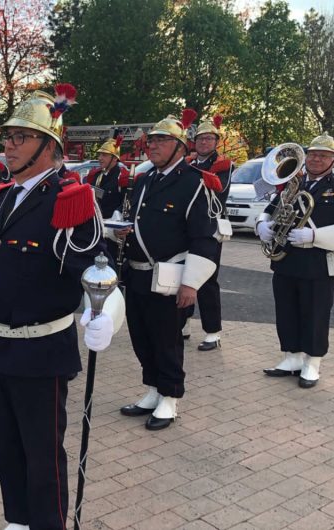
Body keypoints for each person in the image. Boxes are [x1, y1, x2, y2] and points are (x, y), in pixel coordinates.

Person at [0, 84, 124, 530]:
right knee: (5, 444)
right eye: (8, 136)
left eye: (21, 137)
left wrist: (106, 314)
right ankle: (18, 520)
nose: (8, 145)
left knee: (42, 453)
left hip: (40, 350)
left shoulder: (69, 198)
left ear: (49, 146)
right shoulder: (4, 195)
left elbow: (99, 269)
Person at [115, 110, 219, 430]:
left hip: (169, 276)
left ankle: (170, 398)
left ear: (180, 147)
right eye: (152, 140)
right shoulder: (145, 179)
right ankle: (152, 389)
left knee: (167, 340)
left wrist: (191, 284)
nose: (153, 146)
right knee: (141, 336)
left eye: (162, 140)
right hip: (137, 273)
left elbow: (205, 237)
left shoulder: (194, 183)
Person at [259, 130, 334, 388]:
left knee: (315, 314)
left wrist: (314, 235)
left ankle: (312, 363)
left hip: (317, 264)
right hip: (286, 260)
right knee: (286, 310)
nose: (316, 159)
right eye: (313, 154)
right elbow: (269, 212)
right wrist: (262, 225)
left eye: (323, 155)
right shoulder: (293, 184)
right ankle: (291, 357)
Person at [185, 115, 234, 351]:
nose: (204, 142)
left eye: (209, 138)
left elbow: (219, 189)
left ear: (216, 141)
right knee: (182, 274)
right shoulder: (189, 162)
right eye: (201, 138)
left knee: (206, 279)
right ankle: (183, 322)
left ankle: (212, 332)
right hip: (186, 226)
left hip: (210, 227)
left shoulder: (223, 165)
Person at [87, 132, 130, 268]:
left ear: (114, 158)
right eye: (99, 155)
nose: (100, 158)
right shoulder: (96, 175)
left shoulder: (121, 177)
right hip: (95, 228)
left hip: (112, 232)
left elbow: (125, 204)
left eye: (104, 155)